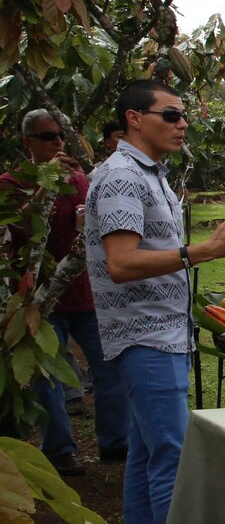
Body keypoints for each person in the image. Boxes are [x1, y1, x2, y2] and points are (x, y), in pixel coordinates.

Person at [86, 80, 225, 524]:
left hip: (161, 331)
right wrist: (201, 253)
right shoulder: (123, 177)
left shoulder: (150, 175)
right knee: (173, 456)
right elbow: (121, 263)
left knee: (146, 453)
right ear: (134, 118)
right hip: (146, 335)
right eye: (170, 114)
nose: (182, 123)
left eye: (183, 115)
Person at [0, 109, 129, 474]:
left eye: (60, 135)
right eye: (47, 137)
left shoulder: (77, 176)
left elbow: (90, 215)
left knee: (108, 366)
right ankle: (59, 449)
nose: (57, 142)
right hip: (39, 296)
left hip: (84, 289)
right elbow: (20, 227)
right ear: (28, 143)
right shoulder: (11, 181)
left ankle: (115, 440)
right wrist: (46, 184)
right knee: (47, 374)